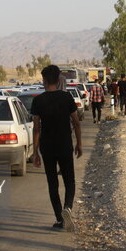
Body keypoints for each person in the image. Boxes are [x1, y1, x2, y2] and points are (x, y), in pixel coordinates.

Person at [30, 65, 82, 231]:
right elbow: (75, 122)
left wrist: (35, 151)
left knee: (52, 183)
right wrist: (79, 143)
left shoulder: (38, 100)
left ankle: (60, 219)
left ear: (44, 80)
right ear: (59, 80)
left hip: (47, 147)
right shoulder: (66, 98)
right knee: (69, 180)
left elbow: (36, 128)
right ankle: (67, 208)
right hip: (64, 144)